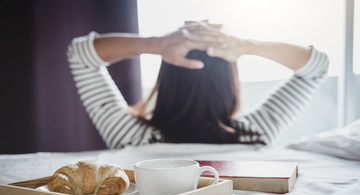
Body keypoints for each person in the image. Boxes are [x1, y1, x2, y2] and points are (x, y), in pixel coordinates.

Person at [67, 22, 329, 148]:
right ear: (230, 82)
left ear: (165, 79)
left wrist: (156, 44)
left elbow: (80, 54)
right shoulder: (254, 134)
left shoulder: (131, 138)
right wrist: (247, 46)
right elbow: (317, 67)